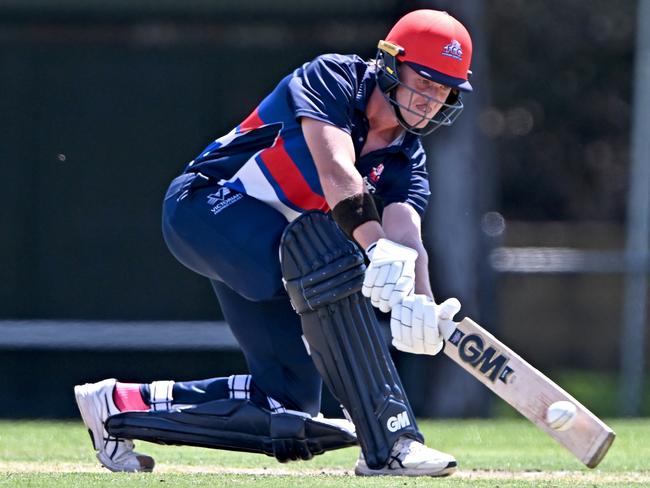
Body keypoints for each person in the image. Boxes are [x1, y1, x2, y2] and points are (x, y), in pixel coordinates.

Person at [74, 9, 473, 477]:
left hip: (282, 252)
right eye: (423, 81)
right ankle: (391, 441)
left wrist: (419, 302)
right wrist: (374, 247)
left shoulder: (408, 155)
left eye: (443, 90)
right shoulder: (333, 77)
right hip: (206, 207)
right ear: (390, 64)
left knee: (287, 406)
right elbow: (337, 172)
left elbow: (407, 235)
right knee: (334, 257)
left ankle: (115, 409)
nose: (430, 100)